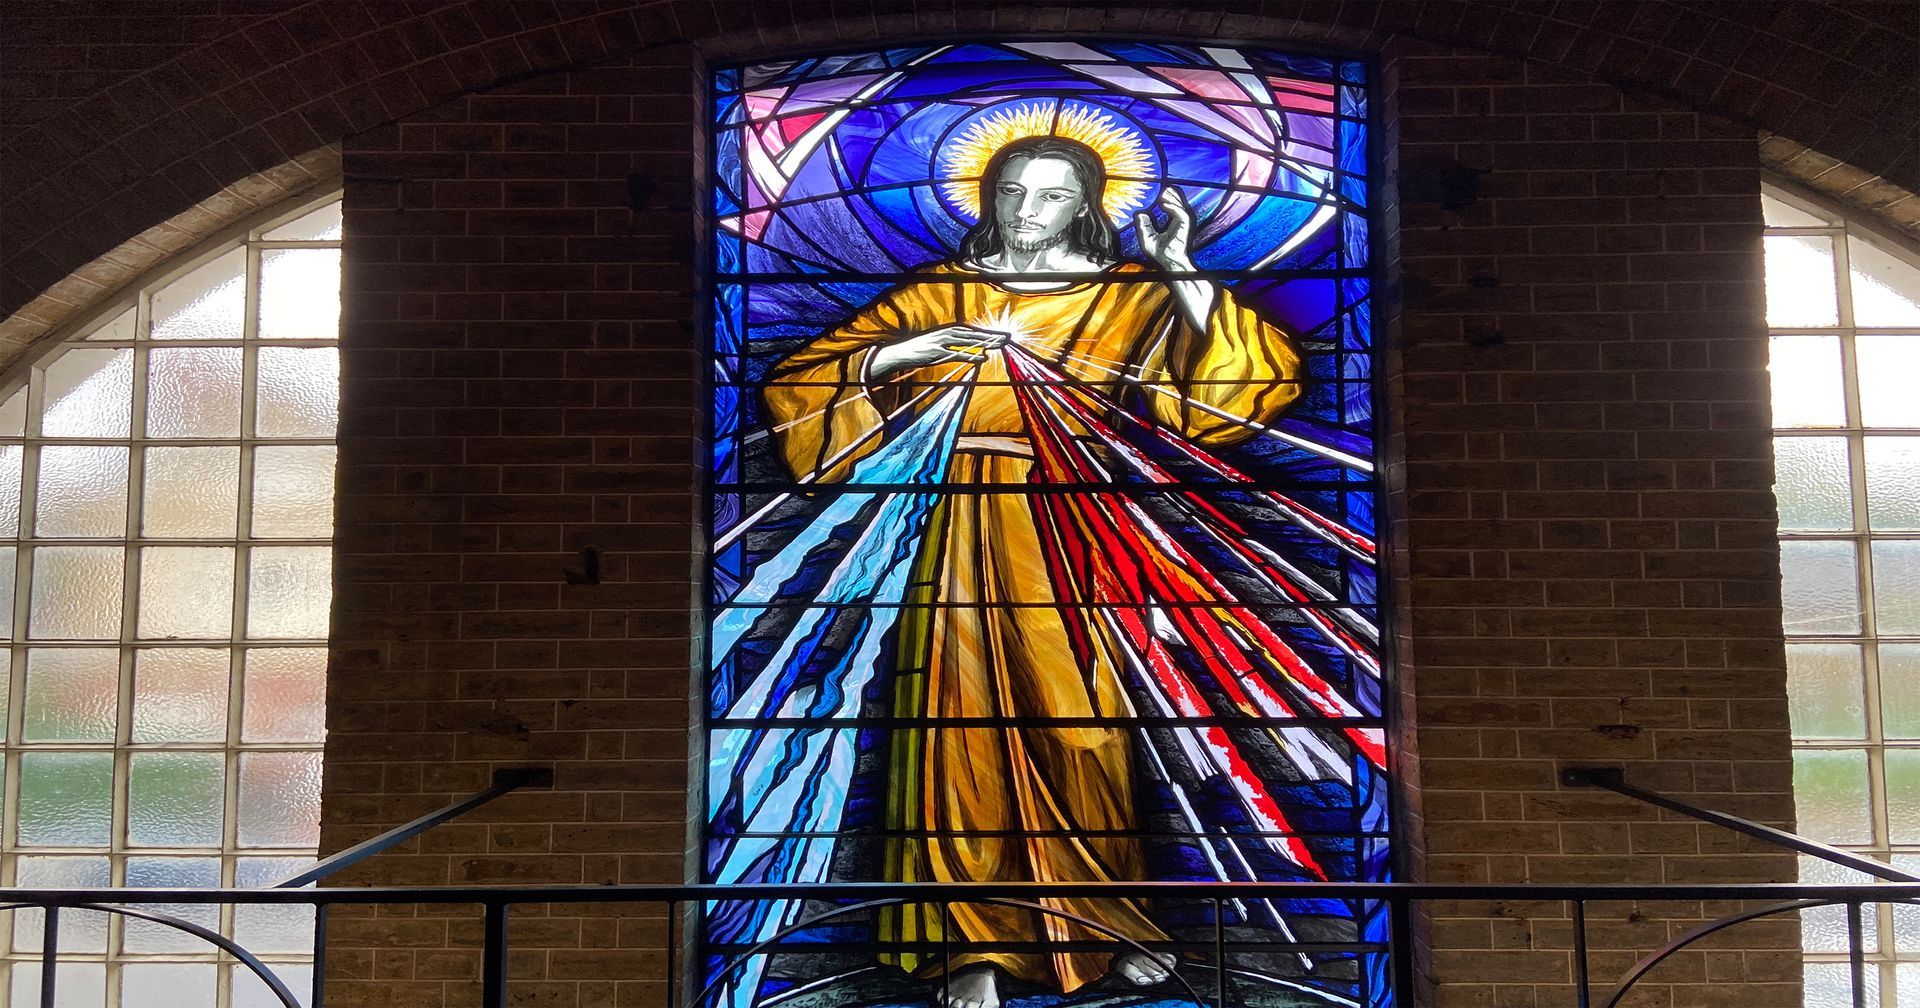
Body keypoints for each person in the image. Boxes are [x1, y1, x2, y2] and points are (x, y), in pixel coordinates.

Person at [761, 135, 1304, 1008]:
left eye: (1050, 197)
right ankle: (970, 942)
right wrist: (910, 348)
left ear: (1086, 205)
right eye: (1011, 192)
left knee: (1082, 724)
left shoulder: (1124, 299)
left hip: (1075, 528)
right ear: (985, 197)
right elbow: (805, 387)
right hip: (959, 529)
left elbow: (1225, 396)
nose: (1025, 212)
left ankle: (1104, 921)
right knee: (958, 728)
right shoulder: (940, 293)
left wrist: (1180, 272)